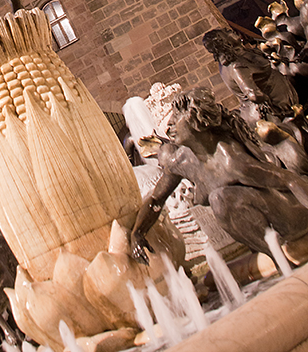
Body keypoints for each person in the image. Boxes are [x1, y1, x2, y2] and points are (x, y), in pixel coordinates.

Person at [131, 87, 308, 262]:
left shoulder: (230, 160)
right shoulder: (182, 161)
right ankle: (276, 258)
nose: (169, 124)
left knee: (220, 199)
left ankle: (279, 259)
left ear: (196, 120)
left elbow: (289, 180)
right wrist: (137, 233)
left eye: (176, 117)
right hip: (269, 223)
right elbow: (156, 200)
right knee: (220, 199)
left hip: (291, 218)